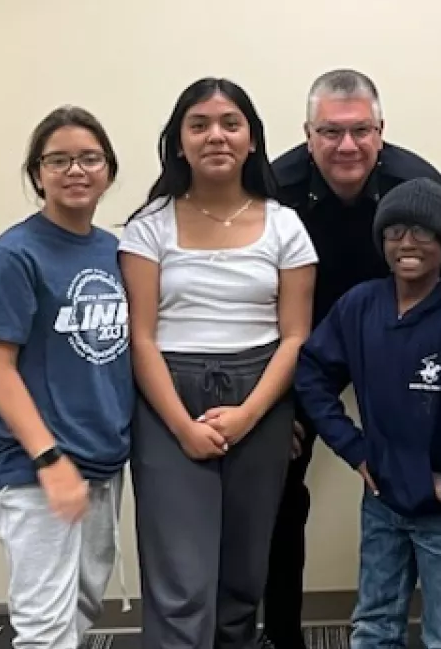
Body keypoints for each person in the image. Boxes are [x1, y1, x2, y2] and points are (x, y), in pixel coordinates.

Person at [119, 77, 319, 649]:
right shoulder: (149, 225)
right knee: (181, 582)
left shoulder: (285, 225)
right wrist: (182, 425)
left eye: (230, 124)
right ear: (178, 142)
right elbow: (142, 339)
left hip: (260, 397)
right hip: (167, 400)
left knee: (241, 580)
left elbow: (295, 337)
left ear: (252, 140)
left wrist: (250, 414)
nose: (216, 136)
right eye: (199, 125)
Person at [297, 178, 441, 649]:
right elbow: (311, 372)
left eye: (423, 233)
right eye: (395, 231)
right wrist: (353, 448)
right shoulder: (361, 305)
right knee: (374, 627)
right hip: (382, 501)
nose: (406, 243)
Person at [264, 68, 441, 649]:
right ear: (307, 133)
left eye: (361, 130)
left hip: (392, 344)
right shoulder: (273, 187)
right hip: (297, 344)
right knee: (279, 490)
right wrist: (276, 401)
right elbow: (250, 289)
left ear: (381, 131)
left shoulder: (419, 184)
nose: (347, 145)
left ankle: (426, 630)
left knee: (412, 479)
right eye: (330, 131)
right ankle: (283, 635)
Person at [0, 106, 134, 649]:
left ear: (108, 170)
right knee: (45, 628)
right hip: (38, 466)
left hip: (103, 459)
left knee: (83, 607)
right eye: (59, 159)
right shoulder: (16, 253)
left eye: (89, 158)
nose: (75, 170)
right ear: (37, 172)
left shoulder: (116, 251)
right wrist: (49, 459)